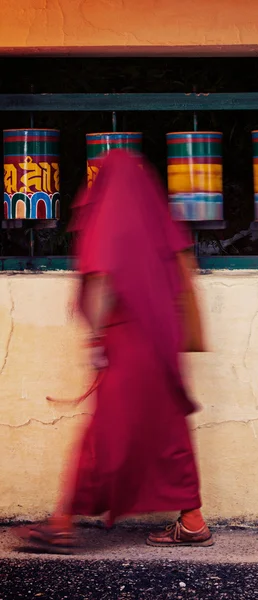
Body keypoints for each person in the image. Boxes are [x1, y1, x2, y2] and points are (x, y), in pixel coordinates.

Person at [16, 149, 213, 554]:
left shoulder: (112, 216)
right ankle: (192, 521)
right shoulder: (157, 218)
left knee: (105, 433)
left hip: (128, 341)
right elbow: (181, 272)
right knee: (167, 429)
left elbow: (103, 278)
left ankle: (61, 523)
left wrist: (96, 340)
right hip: (162, 340)